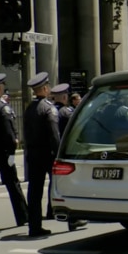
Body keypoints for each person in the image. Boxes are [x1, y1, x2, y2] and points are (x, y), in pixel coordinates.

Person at [23, 72, 58, 237]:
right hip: (47, 153)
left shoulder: (29, 108)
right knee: (59, 185)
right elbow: (53, 133)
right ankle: (72, 219)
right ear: (45, 88)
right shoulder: (48, 107)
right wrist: (58, 152)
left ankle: (34, 226)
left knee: (34, 191)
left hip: (32, 153)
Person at [50, 83, 88, 231]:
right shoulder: (67, 112)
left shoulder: (52, 110)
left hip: (49, 151)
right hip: (68, 151)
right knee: (71, 186)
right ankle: (73, 219)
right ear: (65, 97)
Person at [0, 73, 29, 229]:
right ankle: (23, 217)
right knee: (13, 184)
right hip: (2, 152)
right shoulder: (2, 107)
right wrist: (13, 149)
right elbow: (9, 134)